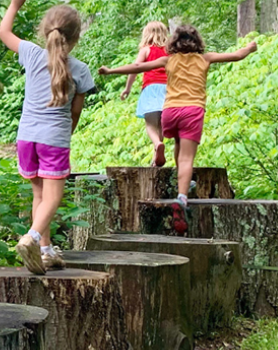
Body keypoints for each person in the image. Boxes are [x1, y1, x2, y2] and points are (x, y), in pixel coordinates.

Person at [100, 25, 256, 232]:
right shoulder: (205, 58)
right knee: (186, 158)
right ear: (198, 42)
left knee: (178, 145)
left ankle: (181, 183)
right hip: (192, 111)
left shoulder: (168, 60)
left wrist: (111, 71)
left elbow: (138, 67)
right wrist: (251, 47)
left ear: (173, 43)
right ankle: (181, 199)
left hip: (171, 111)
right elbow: (237, 55)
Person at [0, 0, 95, 275]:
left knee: (39, 196)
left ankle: (44, 251)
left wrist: (15, 4)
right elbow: (75, 112)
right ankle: (32, 238)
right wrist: (67, 132)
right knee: (53, 198)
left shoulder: (30, 53)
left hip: (26, 137)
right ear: (76, 37)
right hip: (54, 140)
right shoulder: (81, 69)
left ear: (45, 31)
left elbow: (4, 33)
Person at [120, 21, 170, 166]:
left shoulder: (146, 50)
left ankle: (157, 144)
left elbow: (135, 69)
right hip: (168, 89)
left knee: (150, 124)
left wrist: (127, 88)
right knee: (161, 125)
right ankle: (156, 158)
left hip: (151, 88)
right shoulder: (170, 51)